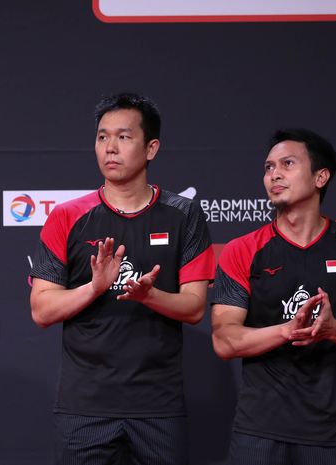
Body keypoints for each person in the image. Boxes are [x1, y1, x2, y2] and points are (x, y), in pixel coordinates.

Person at [29, 93, 215, 465]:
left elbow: (195, 308)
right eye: (102, 137)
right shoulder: (67, 216)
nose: (110, 148)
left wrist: (149, 296)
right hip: (84, 408)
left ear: (151, 148)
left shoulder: (183, 215)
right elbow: (42, 310)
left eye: (124, 137)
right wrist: (95, 287)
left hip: (158, 407)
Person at [211, 128, 336, 464]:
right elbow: (225, 341)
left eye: (287, 164)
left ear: (321, 176)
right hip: (258, 433)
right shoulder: (243, 250)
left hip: (334, 434)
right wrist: (287, 330)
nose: (274, 175)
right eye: (269, 167)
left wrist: (333, 331)